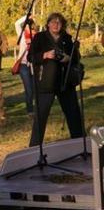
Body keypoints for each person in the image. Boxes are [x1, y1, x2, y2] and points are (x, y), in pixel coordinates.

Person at [28, 12, 83, 146]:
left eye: (59, 22)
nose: (56, 24)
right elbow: (31, 57)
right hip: (45, 83)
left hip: (65, 83)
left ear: (62, 25)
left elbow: (76, 58)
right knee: (40, 117)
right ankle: (35, 148)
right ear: (48, 24)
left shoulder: (67, 38)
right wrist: (45, 55)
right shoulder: (40, 37)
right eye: (53, 22)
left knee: (73, 114)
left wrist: (67, 58)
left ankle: (81, 144)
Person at [14, 15, 37, 115]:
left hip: (34, 64)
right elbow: (16, 23)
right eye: (26, 25)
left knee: (36, 88)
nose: (28, 27)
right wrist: (27, 16)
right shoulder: (22, 34)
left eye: (30, 25)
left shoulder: (37, 35)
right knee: (28, 89)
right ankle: (30, 110)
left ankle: (38, 109)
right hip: (24, 65)